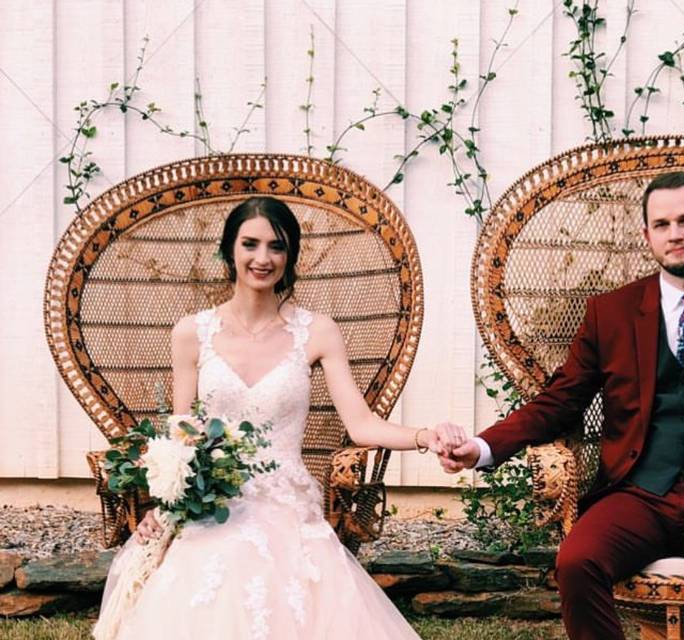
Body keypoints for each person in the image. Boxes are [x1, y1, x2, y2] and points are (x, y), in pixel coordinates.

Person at [438, 172, 684, 640]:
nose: (676, 234)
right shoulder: (611, 312)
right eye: (662, 224)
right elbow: (560, 401)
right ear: (647, 235)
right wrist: (483, 447)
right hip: (635, 493)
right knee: (576, 561)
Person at [100, 196, 465, 639]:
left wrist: (427, 435)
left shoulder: (317, 331)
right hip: (215, 507)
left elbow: (362, 425)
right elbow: (183, 434)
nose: (262, 258)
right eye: (250, 244)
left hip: (287, 507)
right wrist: (167, 503)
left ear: (290, 255)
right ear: (229, 250)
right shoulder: (191, 334)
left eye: (276, 246)